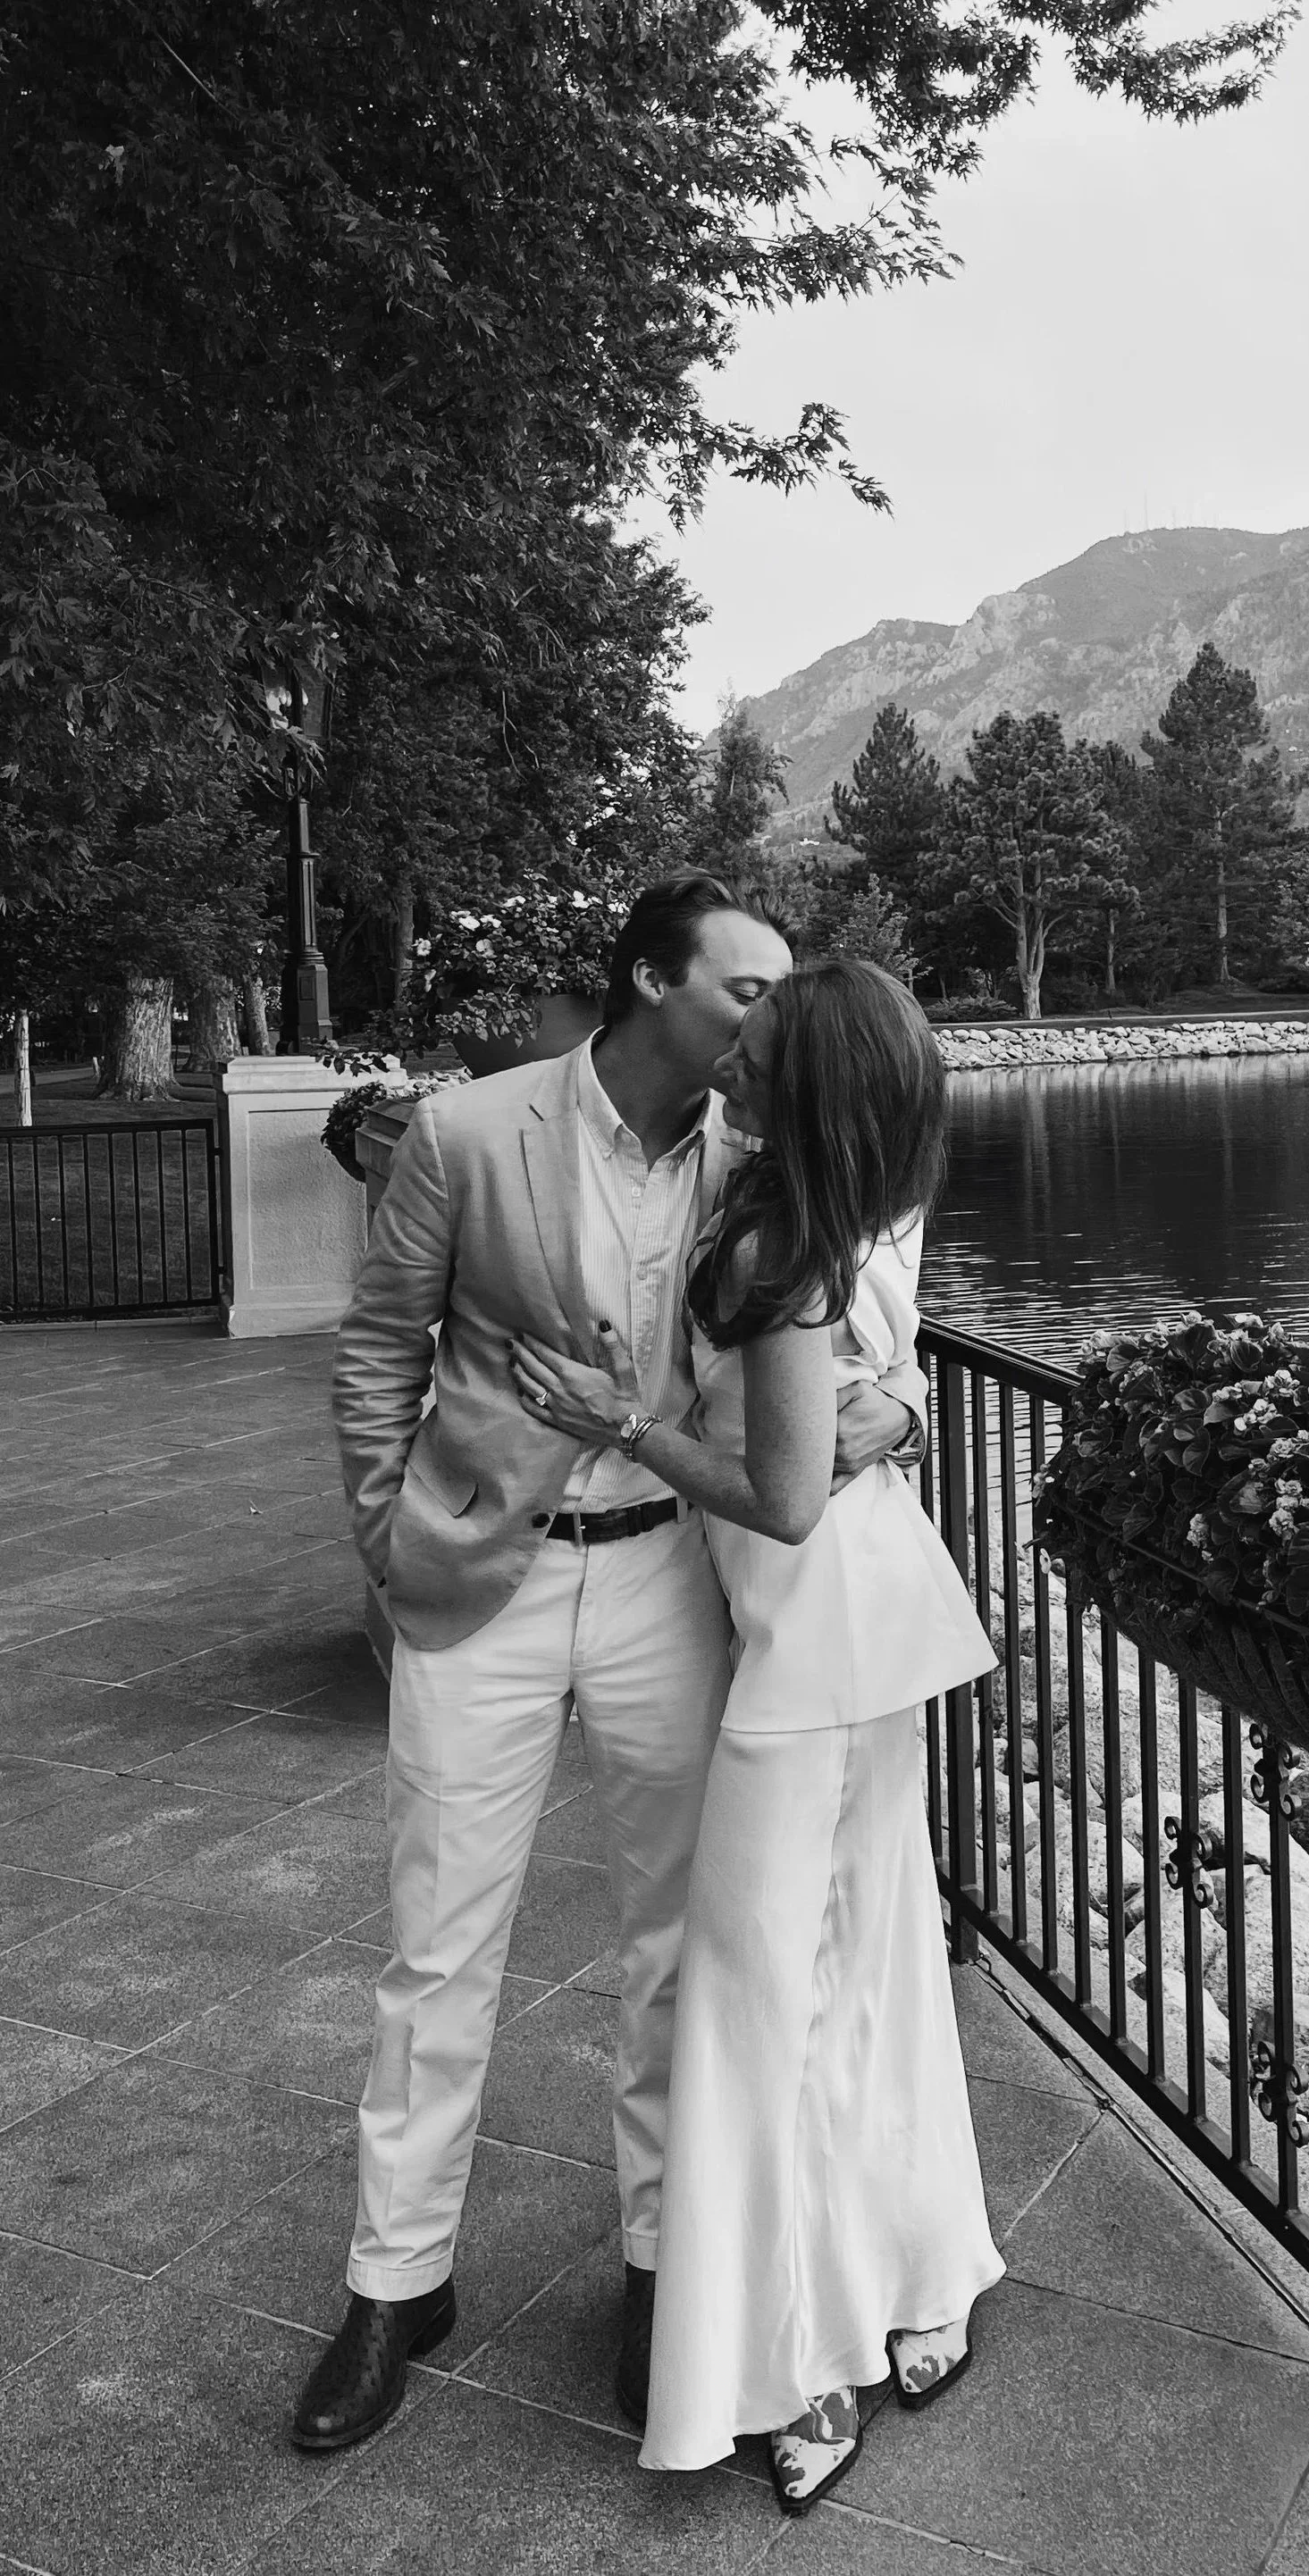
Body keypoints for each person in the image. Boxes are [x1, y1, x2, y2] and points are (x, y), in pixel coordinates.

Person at [293, 874, 926, 2457]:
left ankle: (663, 2272)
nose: (765, 1018)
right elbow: (380, 1345)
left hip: (673, 1576)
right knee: (438, 1947)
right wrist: (387, 1535)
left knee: (673, 1946)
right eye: (742, 990)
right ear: (651, 981)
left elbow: (877, 1335)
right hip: (481, 1585)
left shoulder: (757, 1164)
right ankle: (395, 2285)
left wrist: (898, 1415)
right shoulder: (467, 1133)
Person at [509, 957, 1003, 2515]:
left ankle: (801, 2357)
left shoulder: (797, 1231)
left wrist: (621, 1425)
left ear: (802, 1082)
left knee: (761, 1997)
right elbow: (861, 1396)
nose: (738, 1038)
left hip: (822, 1638)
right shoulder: (801, 1195)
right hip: (827, 1632)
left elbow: (786, 1498)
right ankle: (921, 2272)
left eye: (765, 1035)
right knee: (861, 1966)